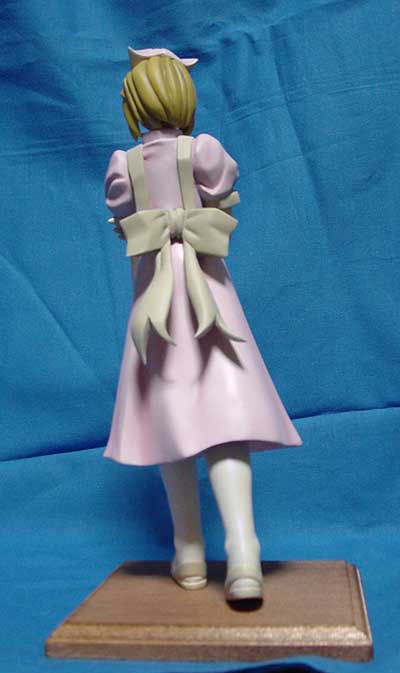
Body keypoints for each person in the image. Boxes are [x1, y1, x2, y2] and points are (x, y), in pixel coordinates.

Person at [104, 47, 302, 601]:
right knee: (223, 418)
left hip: (157, 305)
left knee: (172, 420)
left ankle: (188, 550)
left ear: (134, 103)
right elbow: (221, 194)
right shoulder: (204, 151)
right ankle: (243, 552)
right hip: (206, 299)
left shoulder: (124, 165)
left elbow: (122, 215)